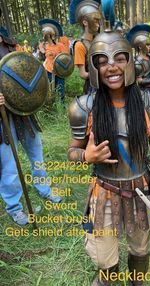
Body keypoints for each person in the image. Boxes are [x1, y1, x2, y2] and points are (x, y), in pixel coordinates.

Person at [68, 30, 150, 286]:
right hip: (104, 192)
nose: (112, 66)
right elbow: (72, 152)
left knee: (140, 251)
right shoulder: (83, 108)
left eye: (119, 58)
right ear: (94, 66)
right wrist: (87, 155)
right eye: (102, 61)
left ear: (129, 61)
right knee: (106, 259)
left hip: (140, 192)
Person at [0, 28, 61, 226]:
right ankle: (14, 207)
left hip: (23, 113)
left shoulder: (11, 44)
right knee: (9, 166)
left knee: (36, 153)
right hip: (2, 119)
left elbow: (28, 70)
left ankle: (44, 189)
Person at [69, 0, 102, 94]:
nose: (98, 24)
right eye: (95, 20)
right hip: (92, 88)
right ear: (85, 22)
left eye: (99, 21)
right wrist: (101, 74)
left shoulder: (99, 40)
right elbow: (83, 74)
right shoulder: (80, 45)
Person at [126, 24, 150, 96]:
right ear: (140, 46)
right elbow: (139, 80)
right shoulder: (138, 62)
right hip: (144, 92)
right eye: (147, 45)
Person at [38, 18, 68, 104]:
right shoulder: (44, 45)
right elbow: (42, 56)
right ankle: (54, 105)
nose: (45, 37)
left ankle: (62, 105)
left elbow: (65, 58)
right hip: (49, 70)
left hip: (59, 70)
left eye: (46, 35)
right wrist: (41, 49)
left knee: (61, 89)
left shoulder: (60, 46)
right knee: (52, 89)